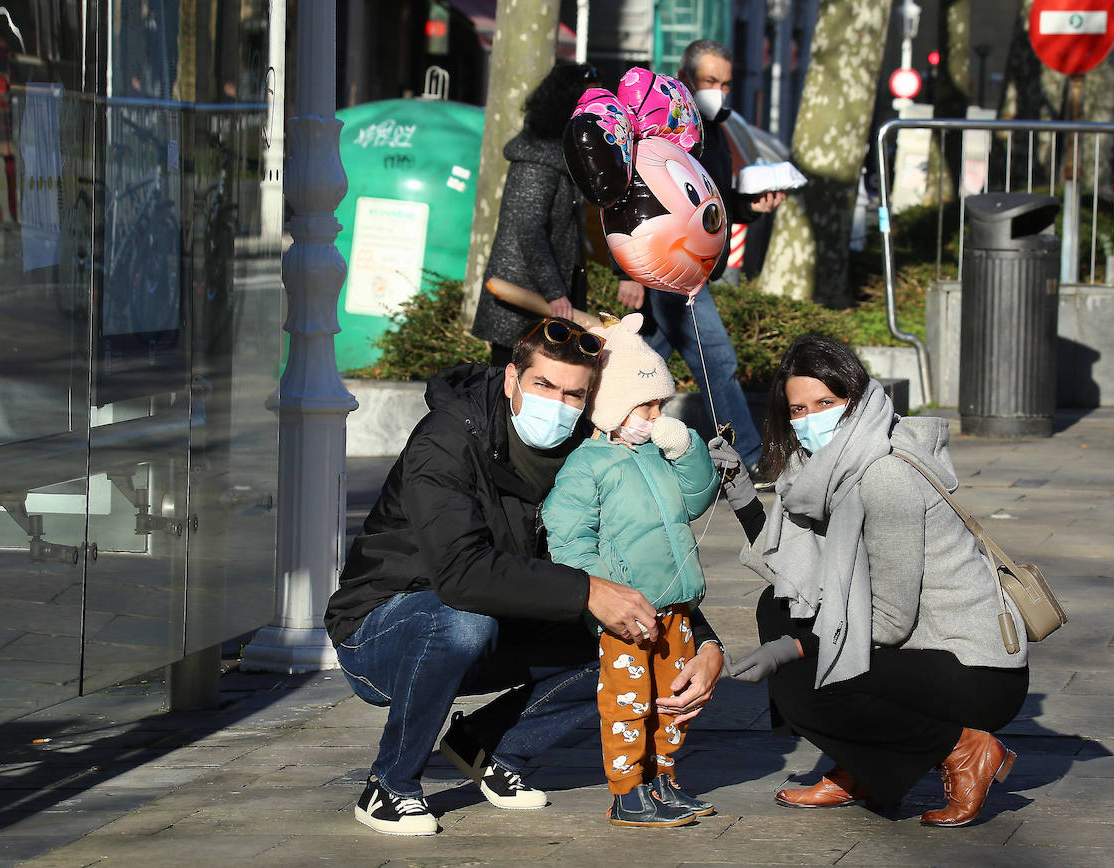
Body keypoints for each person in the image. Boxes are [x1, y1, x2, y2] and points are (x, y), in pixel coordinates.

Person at [325, 316, 725, 836]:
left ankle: (486, 745)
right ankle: (390, 785)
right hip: (382, 627)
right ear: (513, 378)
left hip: (500, 613)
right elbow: (460, 574)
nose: (558, 405)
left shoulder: (589, 450)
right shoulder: (447, 439)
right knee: (461, 622)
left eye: (574, 394)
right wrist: (587, 590)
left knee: (623, 638)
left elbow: (642, 555)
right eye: (543, 385)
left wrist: (703, 641)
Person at [709, 335, 1029, 826]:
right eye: (798, 409)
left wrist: (792, 649)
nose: (811, 418)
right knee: (777, 607)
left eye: (826, 402)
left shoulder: (882, 475)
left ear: (856, 400)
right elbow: (797, 572)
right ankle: (864, 764)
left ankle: (965, 748)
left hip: (973, 670)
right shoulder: (825, 469)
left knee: (804, 681)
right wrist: (741, 493)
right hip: (920, 653)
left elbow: (891, 622)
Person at [541, 313, 721, 828]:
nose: (655, 414)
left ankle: (663, 778)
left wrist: (686, 450)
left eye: (661, 404)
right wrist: (608, 590)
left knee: (673, 701)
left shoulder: (659, 456)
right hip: (627, 613)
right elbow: (570, 538)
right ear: (613, 406)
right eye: (646, 404)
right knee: (628, 704)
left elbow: (695, 498)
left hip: (676, 609)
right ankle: (628, 791)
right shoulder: (588, 464)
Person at [617, 39, 783, 471]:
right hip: (675, 267)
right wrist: (632, 270)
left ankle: (603, 439)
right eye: (710, 80)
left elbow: (714, 201)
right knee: (717, 361)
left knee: (645, 361)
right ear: (686, 77)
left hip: (694, 267)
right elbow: (638, 202)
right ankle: (746, 457)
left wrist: (750, 208)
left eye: (726, 83)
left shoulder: (716, 129)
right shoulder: (659, 126)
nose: (719, 91)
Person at [473, 63, 598, 366]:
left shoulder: (560, 156)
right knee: (510, 392)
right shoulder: (537, 158)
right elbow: (528, 228)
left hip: (541, 302)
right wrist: (556, 293)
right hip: (522, 303)